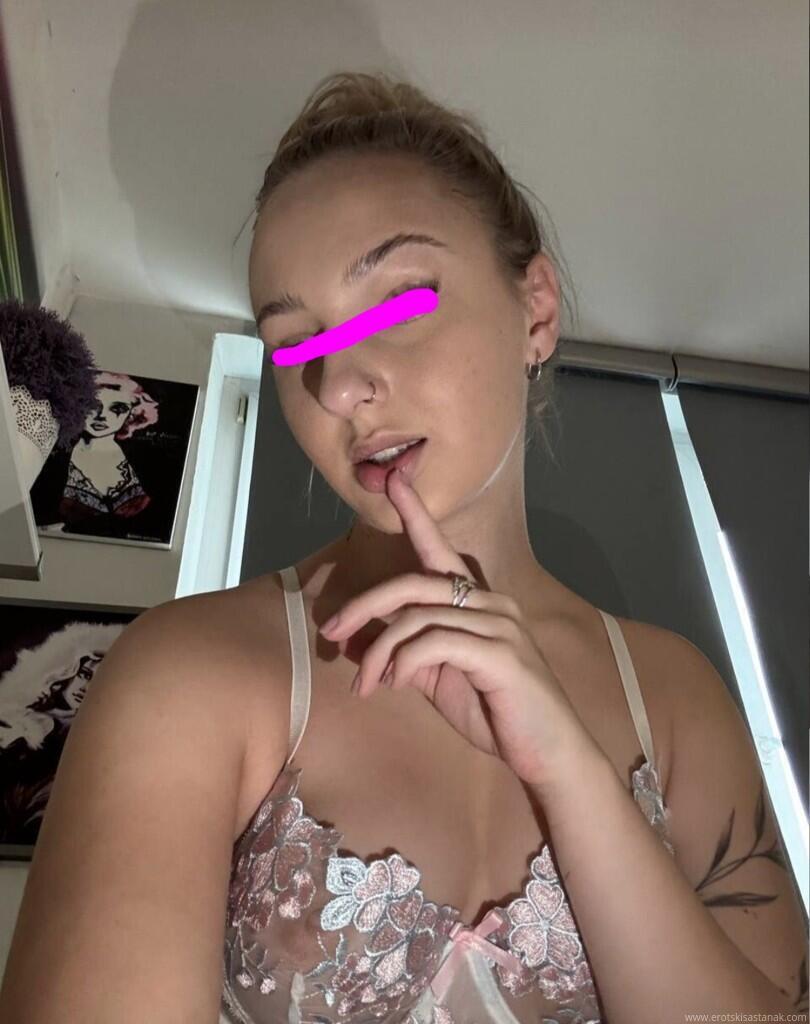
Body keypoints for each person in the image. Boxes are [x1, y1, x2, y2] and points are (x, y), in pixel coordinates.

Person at [1, 71, 805, 1024]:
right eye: (294, 347)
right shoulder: (185, 673)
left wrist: (571, 773)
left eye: (397, 305)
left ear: (536, 311)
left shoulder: (677, 700)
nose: (338, 384)